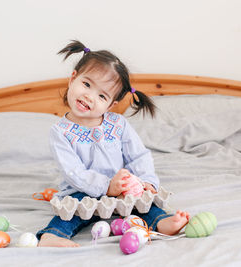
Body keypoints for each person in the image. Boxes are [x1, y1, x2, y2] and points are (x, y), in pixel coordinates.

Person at [37, 40, 189, 247]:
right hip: (84, 190)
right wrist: (106, 186)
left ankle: (161, 222)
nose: (89, 96)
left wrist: (146, 182)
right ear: (73, 78)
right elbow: (74, 173)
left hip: (122, 191)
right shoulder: (61, 132)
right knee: (74, 209)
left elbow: (138, 155)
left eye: (102, 95)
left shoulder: (118, 124)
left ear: (111, 104)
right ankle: (52, 235)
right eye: (87, 84)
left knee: (144, 202)